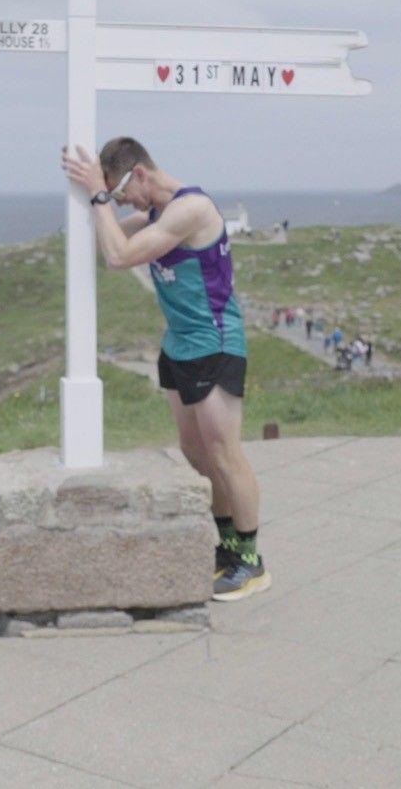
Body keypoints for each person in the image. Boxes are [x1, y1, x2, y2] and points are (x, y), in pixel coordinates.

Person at [62, 138, 269, 601]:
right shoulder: (152, 216)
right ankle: (226, 545)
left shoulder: (191, 209)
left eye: (121, 194)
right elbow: (110, 243)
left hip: (213, 345)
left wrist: (98, 196)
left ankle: (251, 559)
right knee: (195, 452)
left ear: (139, 174)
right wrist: (91, 196)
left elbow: (119, 256)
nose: (122, 204)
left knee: (225, 453)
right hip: (177, 347)